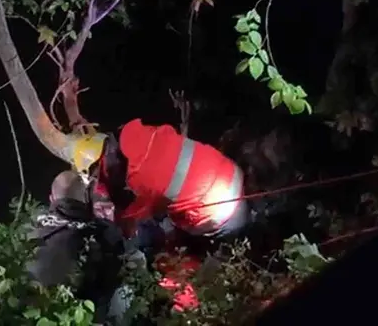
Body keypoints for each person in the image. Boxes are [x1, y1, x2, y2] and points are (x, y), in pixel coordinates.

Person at [63, 118, 251, 251]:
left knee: (164, 235)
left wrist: (118, 224)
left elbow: (130, 224)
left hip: (222, 212)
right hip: (231, 171)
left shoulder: (136, 181)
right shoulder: (141, 135)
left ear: (97, 167)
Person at [26, 170, 126, 324]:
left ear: (51, 198)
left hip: (32, 316)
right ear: (85, 199)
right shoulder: (103, 233)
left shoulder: (30, 231)